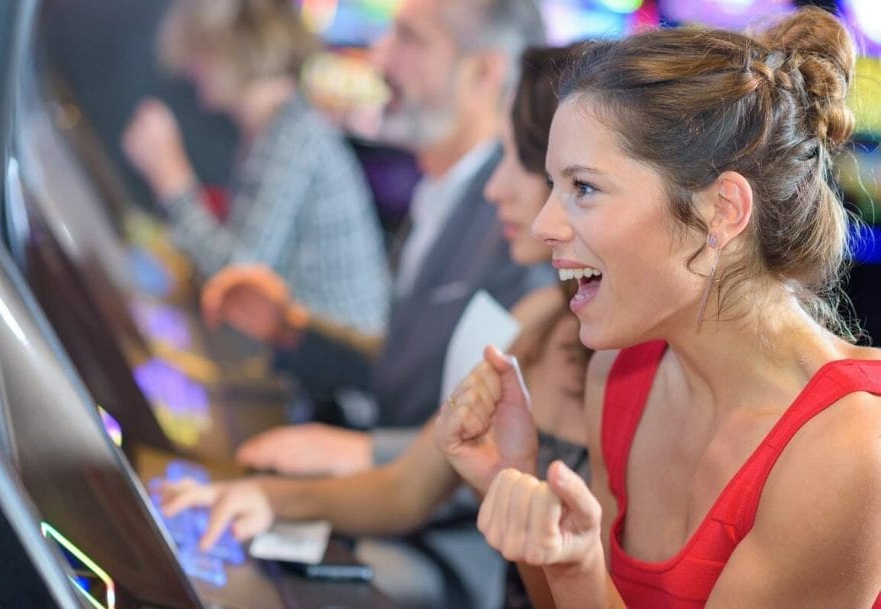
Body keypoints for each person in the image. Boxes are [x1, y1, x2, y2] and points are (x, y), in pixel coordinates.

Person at [439, 8, 881, 608]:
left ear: (721, 211)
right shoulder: (618, 373)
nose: (546, 225)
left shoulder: (851, 447)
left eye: (584, 188)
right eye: (553, 186)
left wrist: (577, 566)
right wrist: (512, 482)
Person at [161, 46, 588, 609]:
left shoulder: (576, 315)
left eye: (577, 185)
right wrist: (263, 494)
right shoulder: (537, 317)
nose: (496, 188)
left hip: (457, 561)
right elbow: (409, 478)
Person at [200, 0, 551, 477]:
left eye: (409, 40)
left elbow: (509, 432)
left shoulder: (518, 227)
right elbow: (406, 377)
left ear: (482, 72)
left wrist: (360, 454)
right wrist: (292, 329)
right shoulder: (440, 189)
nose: (379, 58)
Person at [121, 0, 390, 334]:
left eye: (200, 51)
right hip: (310, 353)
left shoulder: (292, 135)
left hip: (330, 371)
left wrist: (171, 179)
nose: (191, 68)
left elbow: (238, 276)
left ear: (234, 50)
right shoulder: (284, 125)